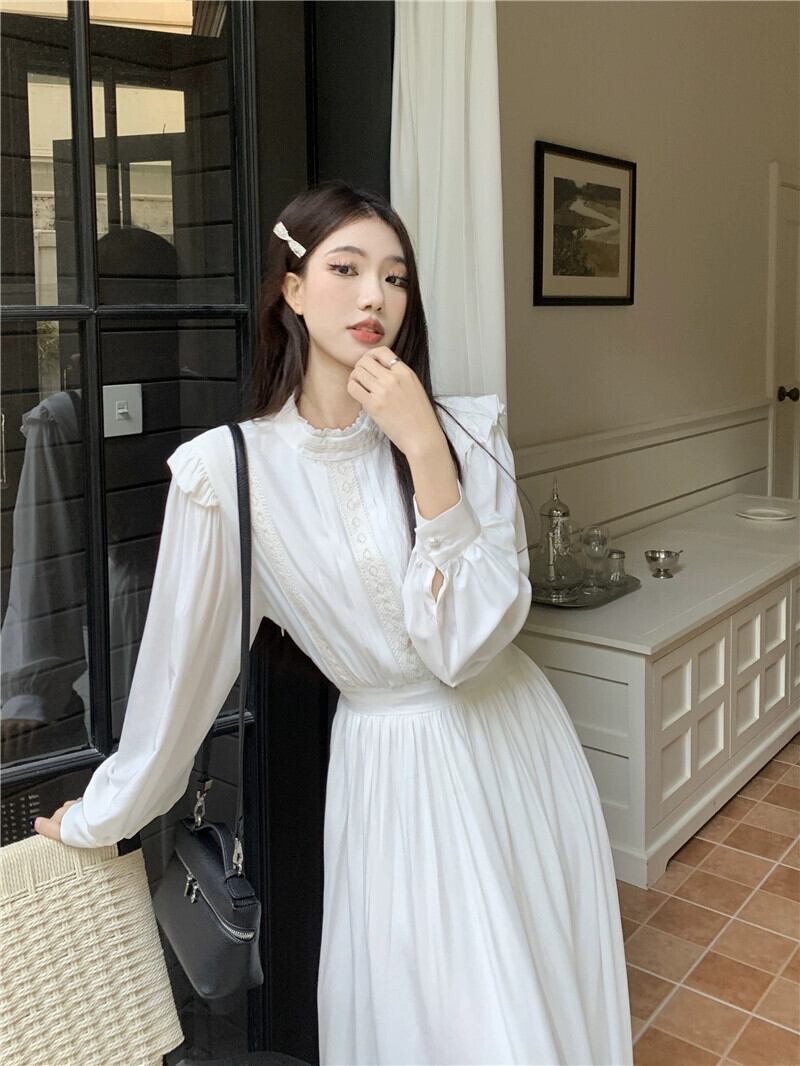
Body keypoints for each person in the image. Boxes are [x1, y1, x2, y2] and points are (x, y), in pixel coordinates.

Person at [35, 181, 633, 1066]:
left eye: (394, 277)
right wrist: (102, 814)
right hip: (394, 776)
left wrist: (423, 447)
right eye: (346, 269)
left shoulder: (469, 431)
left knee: (540, 1001)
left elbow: (471, 643)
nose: (373, 297)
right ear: (292, 287)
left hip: (515, 744)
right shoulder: (229, 474)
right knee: (439, 1024)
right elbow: (175, 686)